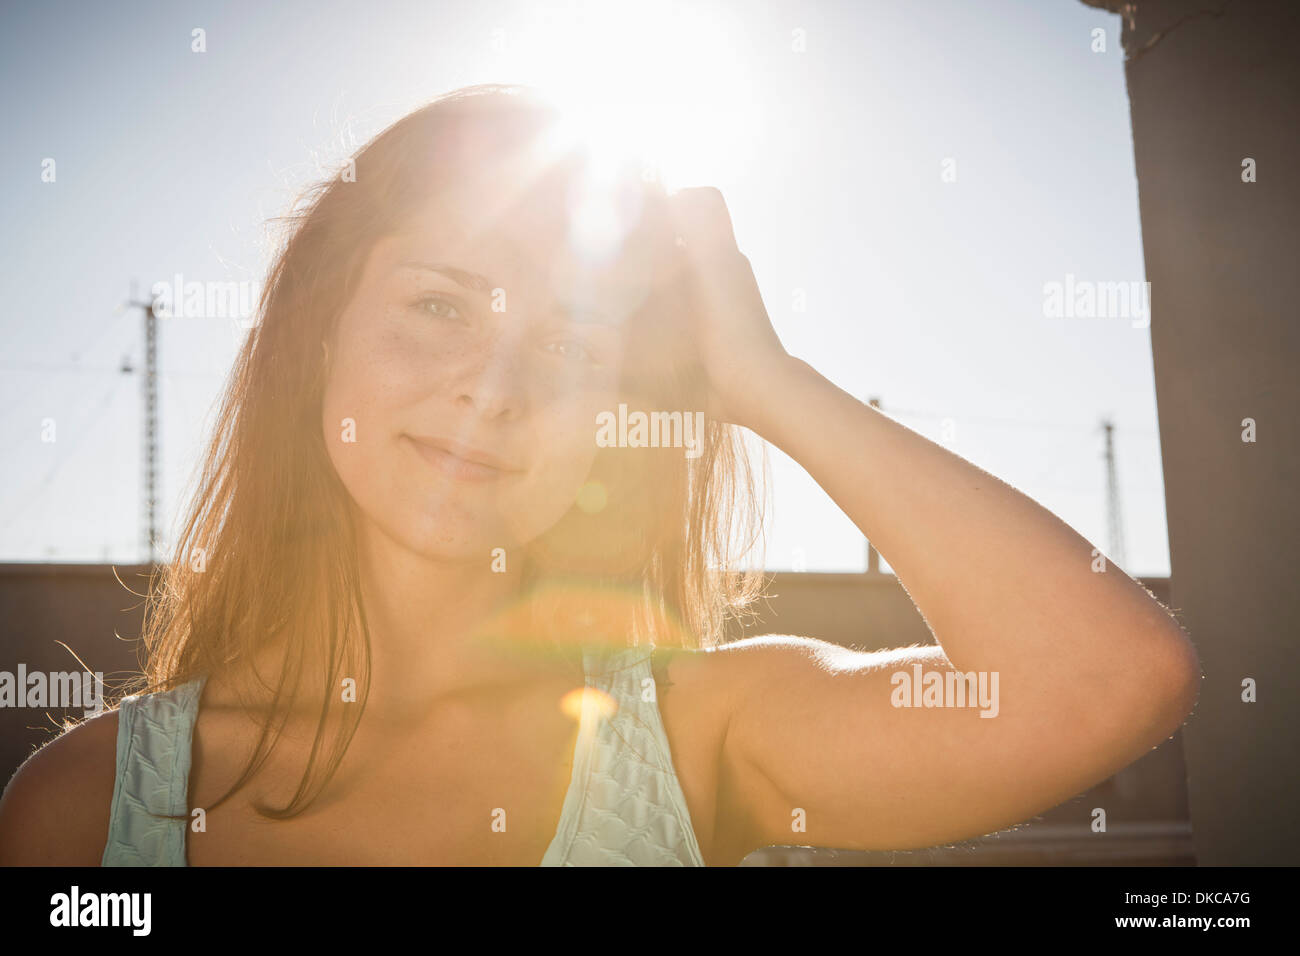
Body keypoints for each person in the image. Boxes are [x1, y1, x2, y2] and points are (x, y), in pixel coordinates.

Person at [0, 84, 1200, 866]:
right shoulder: (85, 810)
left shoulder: (695, 736)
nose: (495, 385)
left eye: (573, 343)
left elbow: (1108, 677)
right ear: (319, 336)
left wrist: (758, 374)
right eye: (439, 304)